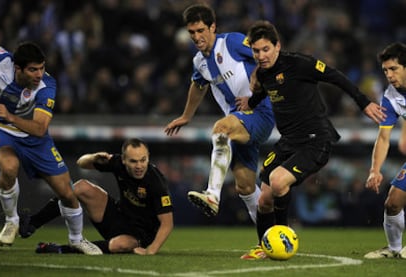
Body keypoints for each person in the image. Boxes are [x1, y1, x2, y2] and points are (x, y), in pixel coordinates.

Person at [243, 20, 386, 259]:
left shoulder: (299, 64)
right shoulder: (264, 73)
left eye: (265, 49)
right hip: (288, 142)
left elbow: (336, 76)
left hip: (315, 140)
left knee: (278, 182)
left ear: (277, 46)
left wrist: (363, 103)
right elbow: (264, 91)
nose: (261, 55)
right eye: (256, 51)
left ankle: (283, 238)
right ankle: (264, 246)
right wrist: (251, 102)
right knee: (264, 199)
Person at [164, 4, 275, 232]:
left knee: (221, 128)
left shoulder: (232, 42)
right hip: (239, 124)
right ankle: (270, 237)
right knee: (245, 186)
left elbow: (268, 56)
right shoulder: (199, 61)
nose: (196, 37)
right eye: (192, 32)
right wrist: (186, 116)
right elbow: (198, 85)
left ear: (212, 27)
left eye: (201, 30)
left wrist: (255, 86)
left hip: (260, 112)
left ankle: (212, 195)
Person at [0, 41, 102, 255]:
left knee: (67, 193)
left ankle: (77, 239)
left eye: (42, 68)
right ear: (17, 68)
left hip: (35, 138)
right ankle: (12, 220)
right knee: (9, 166)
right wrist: (5, 119)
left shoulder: (47, 86)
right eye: (33, 69)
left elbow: (40, 129)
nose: (39, 74)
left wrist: (10, 116)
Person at [20, 138, 174, 255]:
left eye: (143, 160)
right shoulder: (117, 163)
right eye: (133, 161)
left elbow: (167, 223)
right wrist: (93, 157)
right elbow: (81, 163)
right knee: (81, 187)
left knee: (120, 245)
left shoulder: (156, 182)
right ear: (123, 160)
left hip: (141, 235)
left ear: (148, 157)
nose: (139, 166)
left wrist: (151, 250)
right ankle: (32, 223)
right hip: (118, 217)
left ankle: (60, 249)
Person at [363, 42, 406, 259]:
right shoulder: (390, 97)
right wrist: (375, 169)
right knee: (393, 202)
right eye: (386, 70)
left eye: (394, 69)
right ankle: (394, 249)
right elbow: (383, 137)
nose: (389, 75)